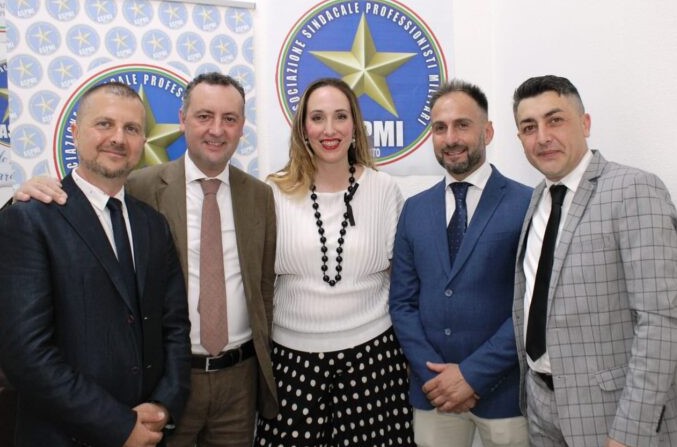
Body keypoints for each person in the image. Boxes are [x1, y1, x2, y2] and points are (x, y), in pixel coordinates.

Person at [11, 72, 278, 447]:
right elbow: (25, 349)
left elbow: (256, 290)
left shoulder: (257, 196)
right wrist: (20, 195)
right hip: (133, 396)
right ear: (182, 120)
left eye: (229, 118)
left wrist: (164, 402)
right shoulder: (138, 187)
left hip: (230, 380)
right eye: (204, 116)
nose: (217, 129)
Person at [0, 82, 191, 446]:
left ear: (143, 141)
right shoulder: (29, 219)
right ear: (75, 132)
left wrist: (164, 406)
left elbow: (175, 327)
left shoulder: (153, 224)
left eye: (131, 128)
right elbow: (25, 355)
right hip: (64, 436)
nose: (118, 138)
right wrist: (120, 426)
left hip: (149, 431)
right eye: (104, 124)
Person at [512, 74, 677, 446]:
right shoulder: (538, 198)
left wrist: (630, 432)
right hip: (540, 406)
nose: (542, 137)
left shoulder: (634, 189)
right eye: (529, 127)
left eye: (555, 120)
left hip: (610, 417)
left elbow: (661, 321)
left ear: (585, 124)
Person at [253, 77, 415, 447]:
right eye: (318, 118)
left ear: (355, 126)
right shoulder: (273, 192)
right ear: (303, 128)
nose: (330, 129)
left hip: (373, 358)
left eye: (340, 116)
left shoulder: (383, 189)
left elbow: (402, 281)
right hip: (292, 363)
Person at [389, 80, 530, 447]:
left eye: (462, 125)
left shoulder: (526, 204)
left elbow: (530, 307)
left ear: (488, 131)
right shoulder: (414, 209)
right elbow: (402, 303)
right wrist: (434, 377)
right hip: (433, 392)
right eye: (440, 128)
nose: (450, 138)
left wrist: (472, 376)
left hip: (504, 393)